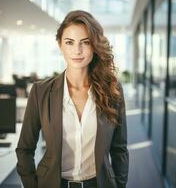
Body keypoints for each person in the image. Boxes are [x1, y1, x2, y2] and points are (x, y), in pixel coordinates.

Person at [16, 10, 129, 188]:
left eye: (85, 42)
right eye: (70, 42)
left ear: (94, 46)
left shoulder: (113, 91)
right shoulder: (40, 91)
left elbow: (119, 149)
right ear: (60, 45)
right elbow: (25, 149)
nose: (77, 50)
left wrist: (120, 185)